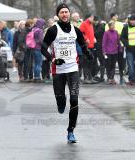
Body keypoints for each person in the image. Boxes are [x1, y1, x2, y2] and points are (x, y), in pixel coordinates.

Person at [41, 3, 92, 143]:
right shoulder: (53, 30)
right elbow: (43, 48)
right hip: (58, 70)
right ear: (58, 15)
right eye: (62, 12)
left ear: (69, 14)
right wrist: (52, 59)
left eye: (66, 12)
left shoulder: (76, 30)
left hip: (73, 69)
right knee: (61, 100)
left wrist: (87, 53)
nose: (64, 14)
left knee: (74, 100)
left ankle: (70, 131)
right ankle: (60, 101)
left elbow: (82, 44)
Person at [121, 14, 135, 86]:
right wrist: (127, 45)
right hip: (130, 50)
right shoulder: (126, 27)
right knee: (130, 65)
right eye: (131, 21)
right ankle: (132, 80)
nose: (132, 22)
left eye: (133, 21)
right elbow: (122, 37)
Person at [80, 13, 97, 84]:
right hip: (86, 46)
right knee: (86, 62)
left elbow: (91, 34)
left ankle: (90, 78)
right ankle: (86, 78)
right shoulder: (84, 24)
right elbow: (80, 33)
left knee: (91, 62)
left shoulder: (91, 25)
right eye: (92, 18)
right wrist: (86, 38)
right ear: (89, 18)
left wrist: (94, 38)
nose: (93, 19)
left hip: (92, 46)